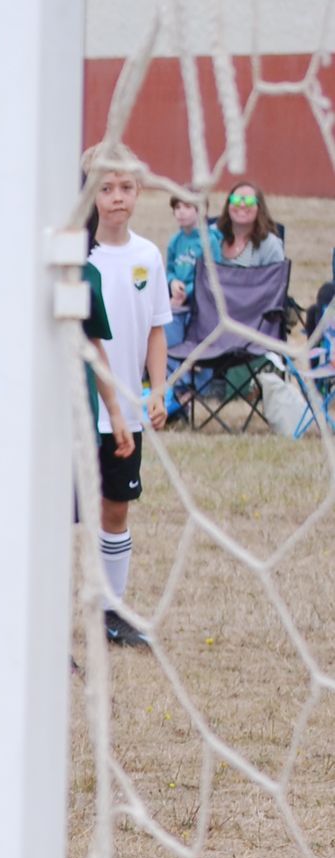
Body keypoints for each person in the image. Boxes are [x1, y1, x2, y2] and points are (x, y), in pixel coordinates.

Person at [0, 259, 133, 678]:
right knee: (12, 528)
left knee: (53, 534)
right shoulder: (12, 261)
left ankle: (47, 642)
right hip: (18, 422)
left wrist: (115, 412)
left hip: (70, 425)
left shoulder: (87, 274)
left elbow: (93, 344)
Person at [84, 148, 168, 651]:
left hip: (126, 413)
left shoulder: (148, 256)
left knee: (116, 510)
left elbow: (156, 329)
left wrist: (155, 389)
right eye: (106, 188)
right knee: (64, 511)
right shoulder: (78, 257)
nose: (117, 198)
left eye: (126, 188)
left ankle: (112, 612)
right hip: (75, 410)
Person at [164, 189, 206, 350]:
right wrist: (172, 282)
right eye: (177, 207)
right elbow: (169, 270)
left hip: (201, 306)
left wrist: (185, 292)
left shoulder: (209, 241)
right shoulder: (175, 241)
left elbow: (213, 277)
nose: (181, 212)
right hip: (177, 301)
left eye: (187, 206)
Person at [210, 181, 285, 268]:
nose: (242, 205)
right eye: (236, 200)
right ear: (228, 206)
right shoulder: (211, 234)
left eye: (249, 201)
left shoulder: (270, 245)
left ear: (259, 208)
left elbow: (275, 280)